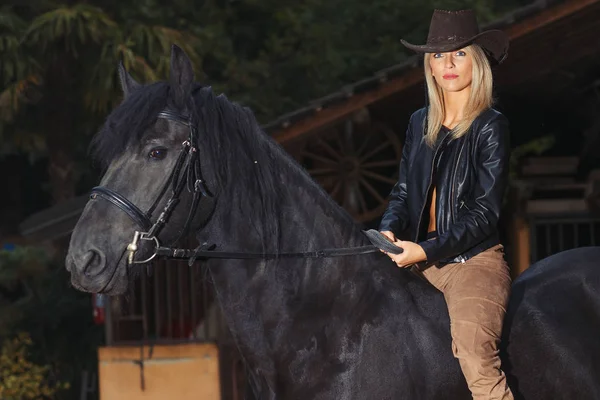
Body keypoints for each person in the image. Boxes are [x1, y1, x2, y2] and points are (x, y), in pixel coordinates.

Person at [378, 9, 515, 400]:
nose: (448, 63)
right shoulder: (420, 122)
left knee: (476, 357)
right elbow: (403, 190)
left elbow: (485, 213)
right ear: (430, 67)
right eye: (438, 55)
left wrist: (426, 248)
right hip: (419, 257)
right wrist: (389, 227)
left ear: (477, 62)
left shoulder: (490, 126)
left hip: (472, 262)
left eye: (458, 53)